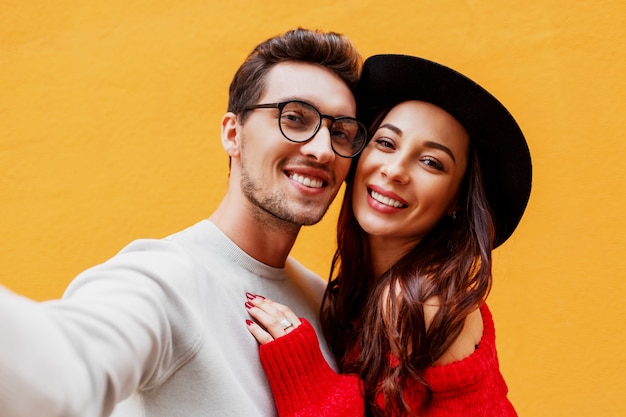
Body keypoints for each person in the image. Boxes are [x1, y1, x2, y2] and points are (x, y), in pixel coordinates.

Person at [0, 28, 368, 417]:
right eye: (294, 118)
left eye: (341, 133)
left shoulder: (328, 306)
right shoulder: (165, 278)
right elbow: (67, 370)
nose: (323, 150)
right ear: (233, 134)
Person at [245, 54, 532, 416]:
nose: (395, 170)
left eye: (431, 162)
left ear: (455, 201)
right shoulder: (366, 289)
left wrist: (304, 373)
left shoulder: (419, 300)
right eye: (385, 143)